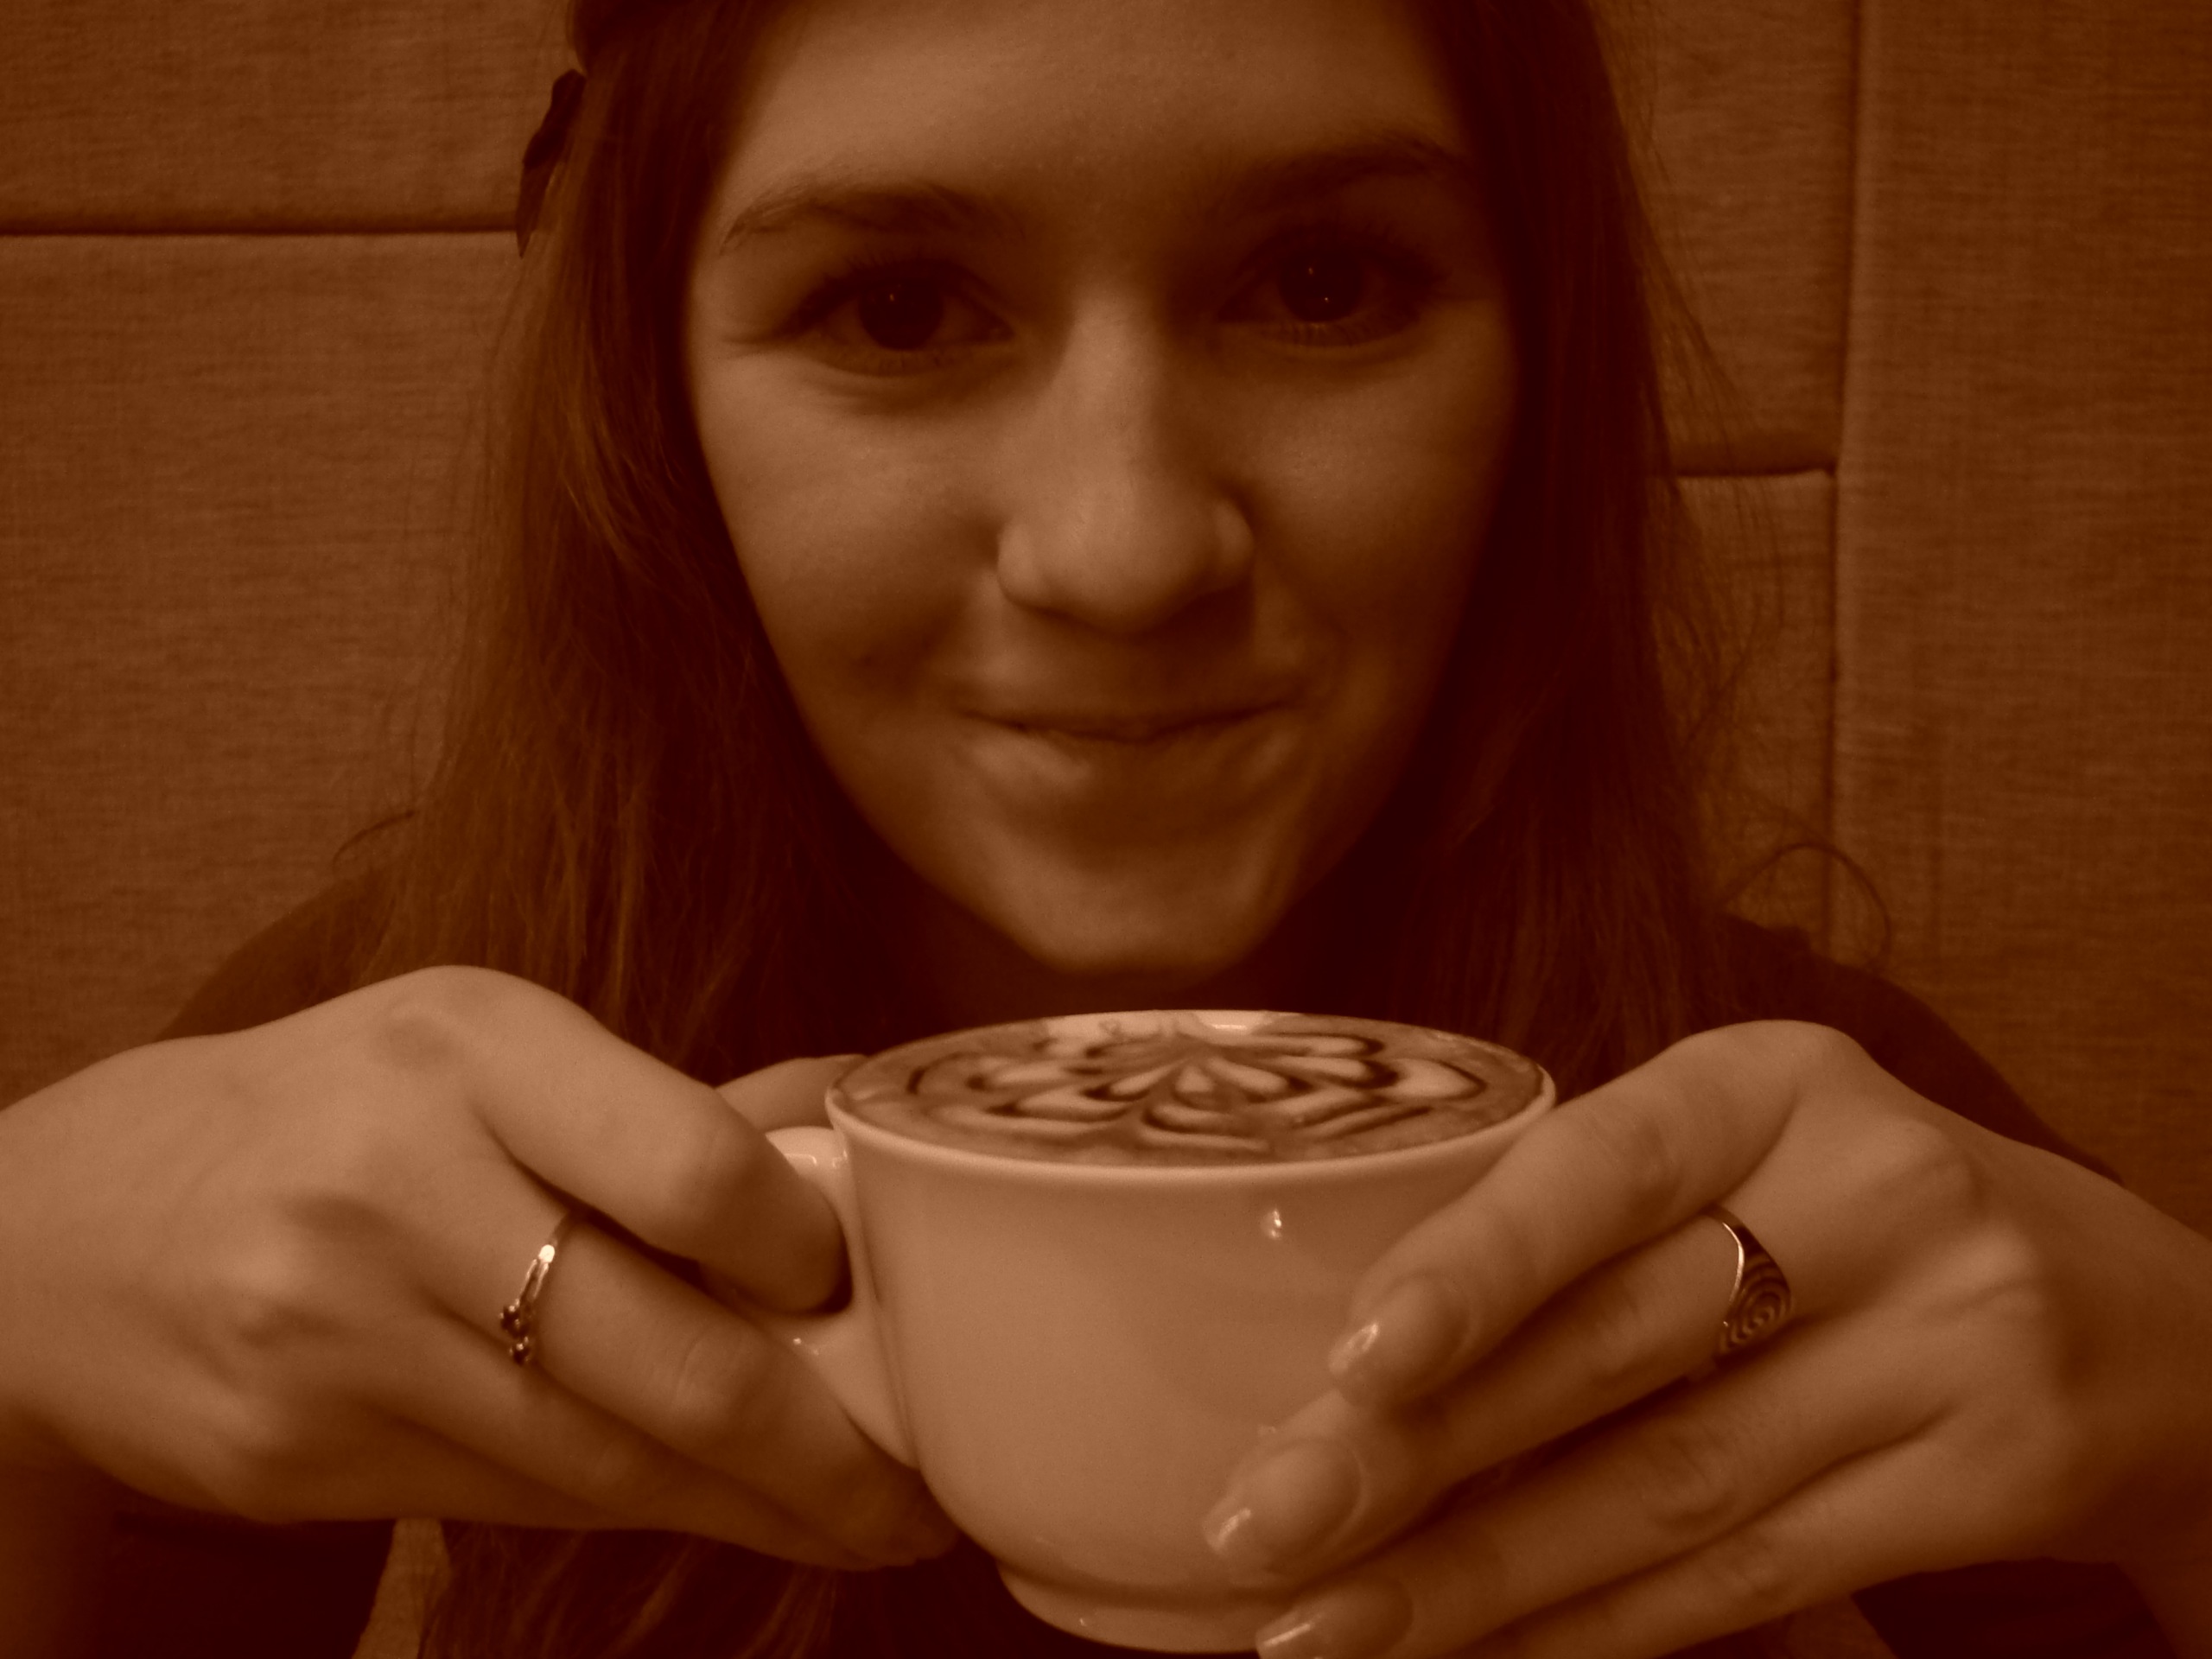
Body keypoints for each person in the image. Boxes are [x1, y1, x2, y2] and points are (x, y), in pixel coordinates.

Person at [1, 0, 2208, 1655]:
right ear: (655, 395)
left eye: (1321, 284)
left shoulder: (1813, 1156)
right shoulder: (394, 1068)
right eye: (896, 309)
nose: (1125, 547)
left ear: (1537, 369)